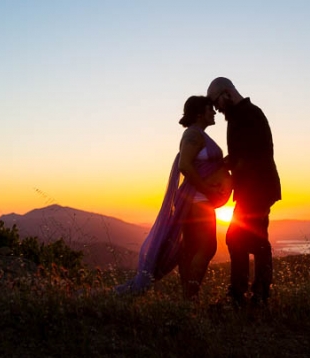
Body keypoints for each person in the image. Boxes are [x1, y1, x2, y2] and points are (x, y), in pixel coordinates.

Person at [116, 96, 230, 299]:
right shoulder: (193, 135)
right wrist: (209, 190)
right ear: (199, 113)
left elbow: (203, 164)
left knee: (191, 249)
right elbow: (184, 165)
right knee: (207, 247)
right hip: (198, 200)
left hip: (198, 200)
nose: (214, 113)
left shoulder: (198, 135)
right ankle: (190, 295)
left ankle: (189, 298)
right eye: (209, 109)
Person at [207, 77, 281, 307]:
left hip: (257, 188)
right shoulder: (239, 116)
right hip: (253, 188)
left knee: (245, 239)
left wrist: (227, 165)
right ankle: (253, 293)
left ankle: (247, 294)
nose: (217, 109)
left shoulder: (249, 115)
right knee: (248, 238)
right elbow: (243, 154)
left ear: (227, 93)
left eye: (217, 102)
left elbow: (254, 155)